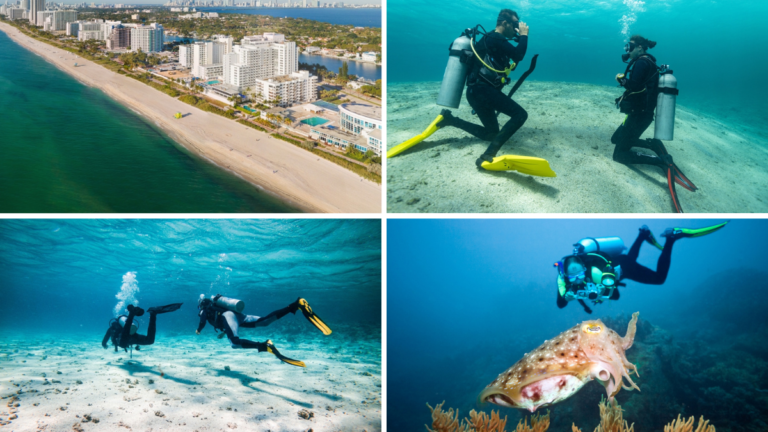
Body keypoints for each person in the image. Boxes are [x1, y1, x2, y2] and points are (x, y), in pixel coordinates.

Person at [556, 222, 728, 313]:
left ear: (583, 269)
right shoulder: (564, 280)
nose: (576, 278)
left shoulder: (595, 273)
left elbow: (615, 296)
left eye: (578, 274)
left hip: (620, 267)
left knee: (659, 279)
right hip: (619, 261)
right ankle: (643, 234)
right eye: (572, 276)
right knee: (628, 259)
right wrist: (568, 294)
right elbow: (560, 304)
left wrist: (599, 291)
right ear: (564, 274)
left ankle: (671, 238)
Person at [611, 35, 696, 212]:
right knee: (615, 139)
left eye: (631, 46)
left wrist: (621, 80)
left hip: (639, 115)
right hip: (637, 114)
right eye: (627, 46)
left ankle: (661, 161)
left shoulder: (642, 62)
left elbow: (633, 86)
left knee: (619, 154)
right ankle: (652, 143)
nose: (628, 50)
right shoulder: (646, 62)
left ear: (641, 48)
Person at [437, 9, 530, 167]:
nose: (516, 29)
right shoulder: (495, 37)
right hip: (483, 92)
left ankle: (450, 120)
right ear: (504, 23)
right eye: (514, 25)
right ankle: (488, 154)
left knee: (491, 133)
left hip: (475, 93)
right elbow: (518, 55)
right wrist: (524, 35)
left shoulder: (490, 39)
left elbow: (509, 60)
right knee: (520, 115)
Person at [195, 295, 331, 368]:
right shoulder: (216, 306)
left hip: (229, 317)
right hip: (237, 316)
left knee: (234, 343)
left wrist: (198, 330)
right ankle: (296, 305)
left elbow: (203, 321)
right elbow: (228, 322)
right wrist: (225, 332)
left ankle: (265, 346)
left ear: (201, 305)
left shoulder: (204, 310)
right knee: (265, 321)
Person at [102, 303, 182, 352]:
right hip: (131, 337)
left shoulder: (112, 328)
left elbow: (106, 338)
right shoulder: (117, 326)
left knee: (123, 343)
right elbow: (126, 331)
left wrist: (104, 344)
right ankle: (153, 313)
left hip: (126, 339)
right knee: (149, 340)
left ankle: (132, 314)